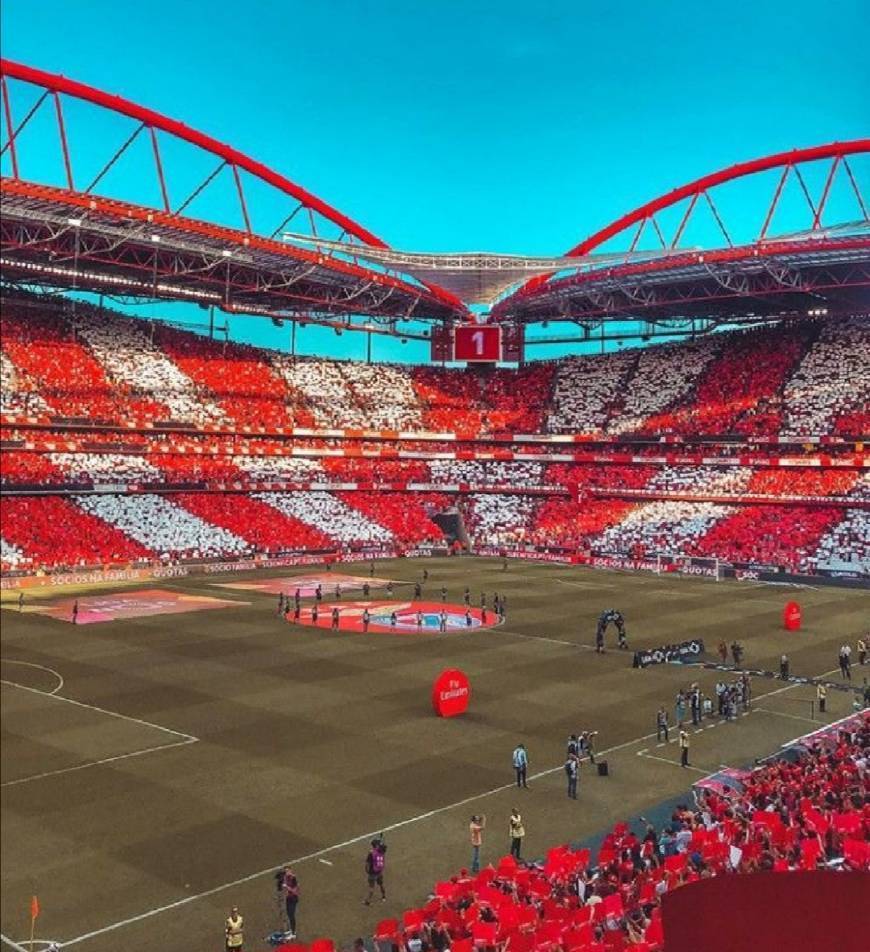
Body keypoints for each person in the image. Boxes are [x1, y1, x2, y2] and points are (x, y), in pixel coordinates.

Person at [363, 838, 387, 905]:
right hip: (379, 872)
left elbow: (367, 864)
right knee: (381, 884)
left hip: (372, 873)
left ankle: (367, 901)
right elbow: (383, 846)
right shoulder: (382, 851)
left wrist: (367, 871)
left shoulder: (371, 853)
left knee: (371, 887)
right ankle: (383, 896)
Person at [280, 867, 299, 938]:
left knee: (291, 915)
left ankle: (293, 933)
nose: (286, 872)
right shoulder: (286, 877)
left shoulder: (293, 879)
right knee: (288, 914)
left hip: (293, 898)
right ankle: (291, 930)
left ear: (291, 871)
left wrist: (286, 887)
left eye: (288, 871)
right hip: (288, 898)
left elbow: (294, 891)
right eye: (285, 871)